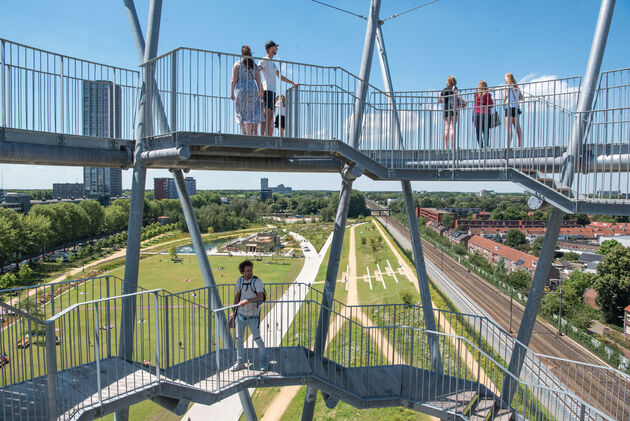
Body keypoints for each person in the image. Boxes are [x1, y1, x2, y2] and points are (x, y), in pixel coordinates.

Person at [230, 260, 267, 372]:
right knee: (239, 339)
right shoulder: (240, 281)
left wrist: (247, 301)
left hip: (253, 316)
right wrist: (234, 311)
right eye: (247, 271)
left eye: (251, 270)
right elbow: (237, 296)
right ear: (242, 272)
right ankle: (240, 362)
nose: (250, 272)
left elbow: (260, 297)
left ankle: (264, 361)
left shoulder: (257, 281)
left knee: (257, 338)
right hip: (240, 315)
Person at [258, 41, 298, 136]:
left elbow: (280, 76)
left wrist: (292, 83)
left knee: (270, 116)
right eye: (276, 47)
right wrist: (261, 88)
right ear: (271, 48)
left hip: (273, 91)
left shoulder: (273, 63)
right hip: (267, 90)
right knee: (266, 115)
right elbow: (257, 71)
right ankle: (263, 136)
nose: (277, 49)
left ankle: (267, 136)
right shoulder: (264, 60)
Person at [231, 45, 264, 135]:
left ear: (242, 53)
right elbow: (258, 80)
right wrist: (260, 92)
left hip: (241, 89)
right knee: (250, 113)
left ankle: (244, 133)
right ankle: (249, 133)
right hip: (252, 89)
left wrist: (231, 93)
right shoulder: (254, 66)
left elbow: (233, 80)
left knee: (240, 111)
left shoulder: (237, 64)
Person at [438, 76, 466, 149]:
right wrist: (463, 101)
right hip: (453, 108)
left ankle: (446, 146)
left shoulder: (444, 90)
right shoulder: (454, 88)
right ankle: (451, 146)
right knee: (452, 127)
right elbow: (457, 96)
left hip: (446, 108)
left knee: (446, 128)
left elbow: (440, 99)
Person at [503, 72, 523, 147]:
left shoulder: (507, 87)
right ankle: (520, 144)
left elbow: (506, 96)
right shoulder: (516, 88)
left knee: (509, 128)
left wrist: (503, 102)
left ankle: (508, 145)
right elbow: (521, 98)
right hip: (516, 108)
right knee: (517, 127)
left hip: (509, 108)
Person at [473, 80, 493, 148]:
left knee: (478, 131)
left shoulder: (476, 93)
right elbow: (491, 104)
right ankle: (486, 145)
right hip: (485, 113)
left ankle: (480, 146)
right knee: (485, 130)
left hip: (476, 113)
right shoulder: (488, 94)